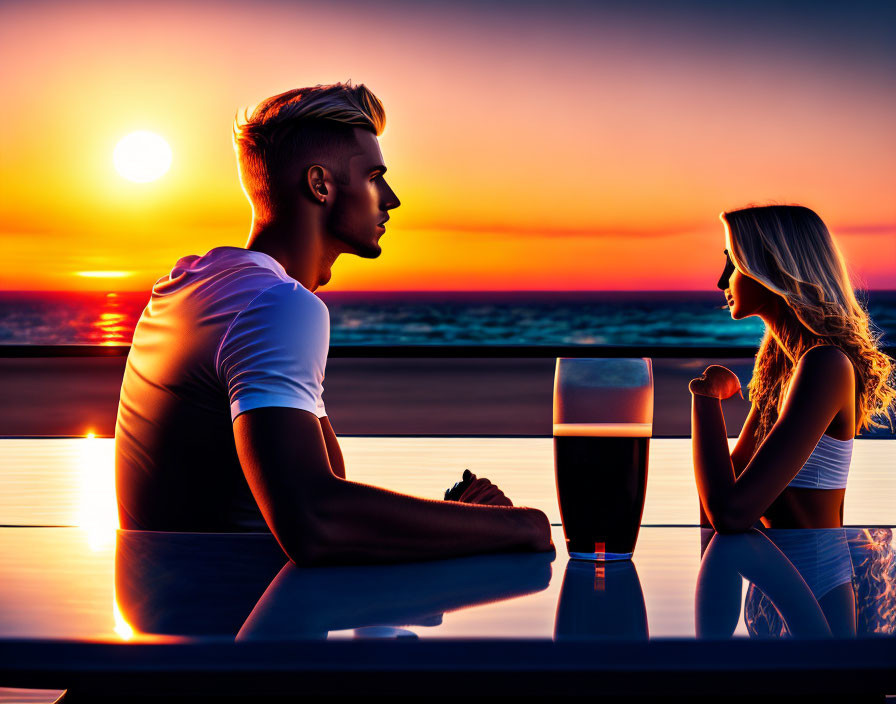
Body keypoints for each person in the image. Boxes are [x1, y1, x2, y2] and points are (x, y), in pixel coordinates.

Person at [114, 82, 552, 564]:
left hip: (172, 611)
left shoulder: (189, 286)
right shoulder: (277, 305)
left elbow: (317, 498)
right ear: (320, 185)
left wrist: (455, 520)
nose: (391, 198)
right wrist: (519, 525)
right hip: (239, 625)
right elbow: (314, 522)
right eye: (373, 176)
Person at [689, 205, 895, 533]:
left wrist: (706, 398)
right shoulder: (781, 366)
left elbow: (729, 514)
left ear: (770, 267)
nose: (720, 280)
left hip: (815, 576)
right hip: (776, 573)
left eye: (733, 263)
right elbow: (719, 497)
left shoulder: (825, 365)